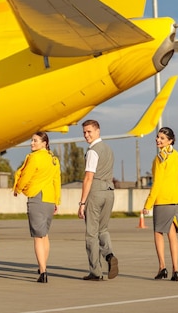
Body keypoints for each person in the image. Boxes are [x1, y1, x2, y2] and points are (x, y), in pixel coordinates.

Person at [13, 132, 61, 283]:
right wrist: (56, 201)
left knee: (38, 236)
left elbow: (26, 175)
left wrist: (18, 189)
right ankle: (43, 267)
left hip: (37, 198)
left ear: (44, 143)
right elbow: (56, 180)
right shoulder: (54, 159)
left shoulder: (34, 157)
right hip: (49, 199)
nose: (31, 143)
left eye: (35, 141)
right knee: (44, 235)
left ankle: (43, 271)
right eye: (32, 140)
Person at [78, 120, 118, 281]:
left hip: (96, 192)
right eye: (84, 132)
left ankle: (96, 272)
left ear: (98, 131)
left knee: (91, 234)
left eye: (89, 132)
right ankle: (109, 256)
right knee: (103, 230)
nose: (86, 135)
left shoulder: (93, 151)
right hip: (109, 191)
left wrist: (82, 203)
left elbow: (89, 177)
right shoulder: (108, 149)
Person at [142, 127, 178, 282]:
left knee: (158, 233)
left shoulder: (160, 157)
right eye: (157, 137)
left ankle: (162, 267)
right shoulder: (176, 155)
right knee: (172, 235)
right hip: (177, 200)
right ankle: (176, 269)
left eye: (161, 138)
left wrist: (148, 204)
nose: (158, 140)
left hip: (163, 201)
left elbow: (157, 183)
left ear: (170, 140)